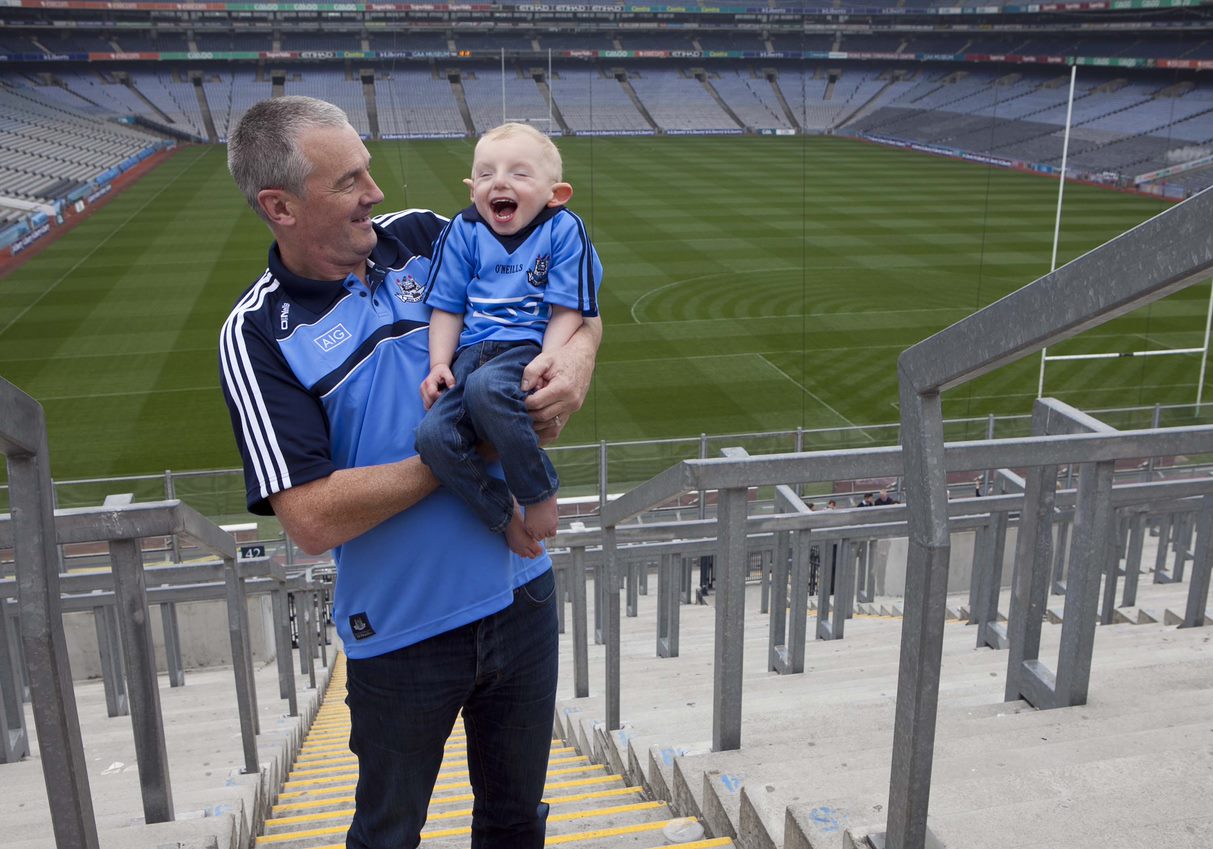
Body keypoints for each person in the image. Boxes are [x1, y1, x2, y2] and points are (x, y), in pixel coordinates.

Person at [219, 96, 601, 849]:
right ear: (280, 206)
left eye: (368, 168)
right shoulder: (259, 333)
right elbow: (312, 519)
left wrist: (577, 362)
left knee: (515, 820)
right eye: (348, 181)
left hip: (521, 596)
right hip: (399, 635)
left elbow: (572, 297)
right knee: (389, 831)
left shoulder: (434, 236)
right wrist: (469, 449)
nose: (375, 191)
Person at [416, 122, 603, 553]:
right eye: (485, 174)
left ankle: (539, 491)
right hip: (468, 353)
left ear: (556, 194)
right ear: (471, 189)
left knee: (486, 390)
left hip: (523, 348)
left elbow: (569, 308)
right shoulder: (462, 230)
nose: (499, 181)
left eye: (518, 173)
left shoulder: (563, 229)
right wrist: (439, 364)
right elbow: (447, 306)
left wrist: (550, 358)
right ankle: (501, 515)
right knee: (432, 438)